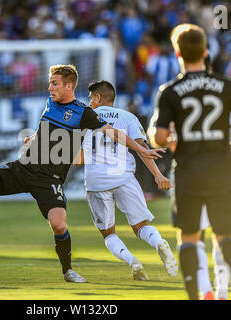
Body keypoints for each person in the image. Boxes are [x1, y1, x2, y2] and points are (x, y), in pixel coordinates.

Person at [0, 64, 165, 282]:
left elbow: (114, 133)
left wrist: (143, 150)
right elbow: (45, 126)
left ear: (69, 86)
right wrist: (34, 137)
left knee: (59, 224)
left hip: (49, 180)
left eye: (54, 84)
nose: (50, 88)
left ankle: (68, 271)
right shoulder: (50, 103)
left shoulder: (83, 113)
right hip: (23, 168)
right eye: (50, 83)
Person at [148, 24, 231, 300]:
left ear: (177, 53)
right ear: (206, 51)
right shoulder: (226, 85)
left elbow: (160, 136)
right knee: (225, 234)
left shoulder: (171, 90)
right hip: (221, 168)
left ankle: (193, 295)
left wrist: (160, 136)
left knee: (189, 236)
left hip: (188, 170)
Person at [74, 80, 178, 281]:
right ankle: (159, 243)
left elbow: (79, 161)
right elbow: (143, 149)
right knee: (141, 226)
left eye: (90, 98)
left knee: (109, 234)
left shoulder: (83, 119)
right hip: (124, 178)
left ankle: (133, 261)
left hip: (96, 182)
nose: (88, 103)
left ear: (97, 97)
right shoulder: (128, 117)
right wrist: (158, 175)